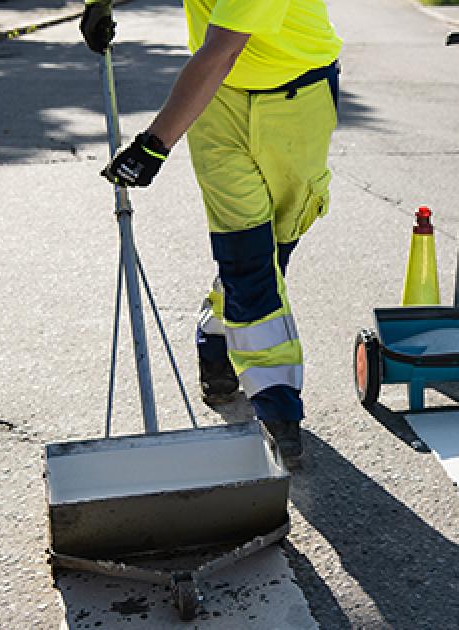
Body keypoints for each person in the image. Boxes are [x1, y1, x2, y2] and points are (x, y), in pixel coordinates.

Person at [80, 0, 342, 467]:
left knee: (274, 253)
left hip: (299, 99)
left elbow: (222, 50)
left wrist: (154, 145)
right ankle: (277, 408)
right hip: (218, 102)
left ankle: (214, 334)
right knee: (247, 259)